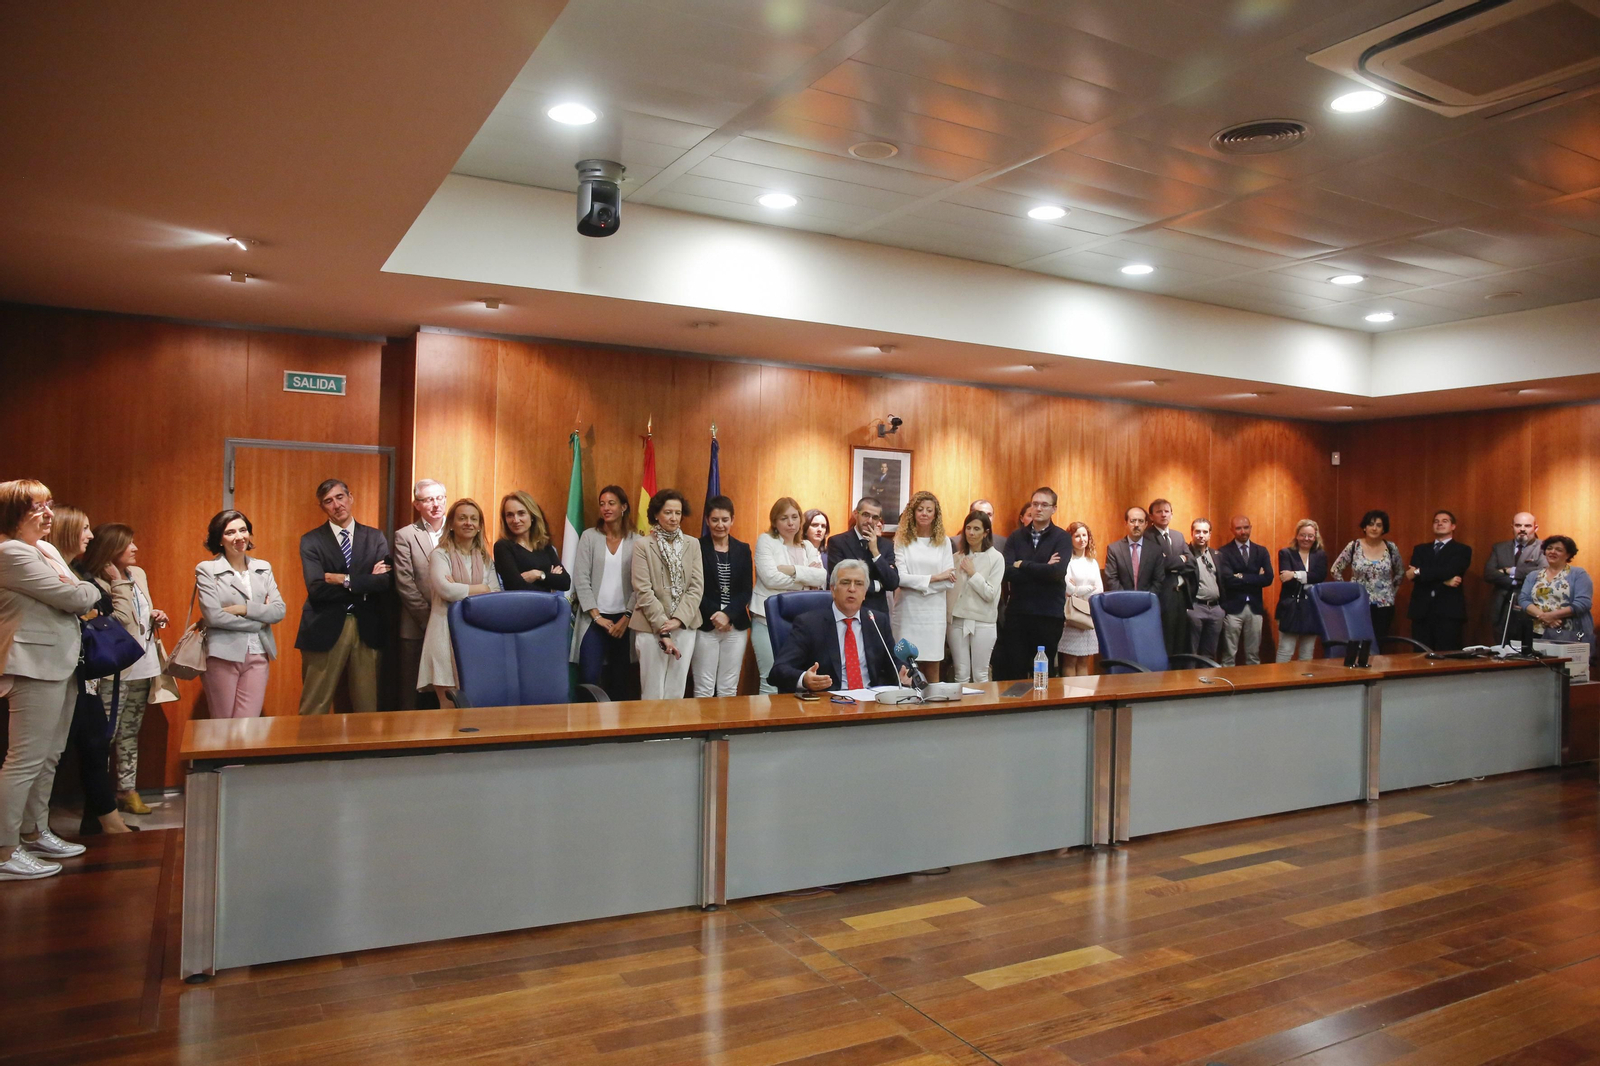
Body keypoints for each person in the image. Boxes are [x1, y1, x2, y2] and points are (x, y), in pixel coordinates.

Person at [0, 481, 102, 881]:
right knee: (24, 761)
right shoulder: (10, 552)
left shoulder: (44, 549)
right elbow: (77, 598)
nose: (48, 514)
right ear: (12, 513)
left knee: (50, 755)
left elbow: (73, 591)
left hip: (60, 661)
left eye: (49, 505)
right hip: (32, 664)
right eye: (37, 507)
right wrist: (84, 588)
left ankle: (34, 830)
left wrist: (77, 588)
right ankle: (6, 849)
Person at [46, 508, 134, 836]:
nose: (91, 535)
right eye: (84, 528)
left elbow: (101, 608)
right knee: (57, 751)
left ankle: (104, 817)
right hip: (60, 670)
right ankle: (33, 829)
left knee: (95, 740)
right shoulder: (50, 569)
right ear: (67, 532)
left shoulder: (78, 570)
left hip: (86, 671)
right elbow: (91, 609)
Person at [82, 524, 169, 814]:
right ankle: (101, 800)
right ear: (110, 550)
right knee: (106, 733)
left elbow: (138, 615)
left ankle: (127, 791)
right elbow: (121, 622)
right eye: (127, 544)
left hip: (143, 663)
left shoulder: (139, 574)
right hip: (112, 668)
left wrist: (154, 614)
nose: (134, 548)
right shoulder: (94, 581)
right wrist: (116, 580)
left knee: (131, 731)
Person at [295, 479, 391, 715]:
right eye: (328, 501)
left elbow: (384, 583)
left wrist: (344, 579)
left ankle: (365, 752)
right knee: (314, 703)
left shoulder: (375, 537)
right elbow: (317, 588)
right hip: (324, 626)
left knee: (367, 703)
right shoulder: (311, 540)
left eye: (340, 497)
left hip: (367, 626)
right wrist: (364, 582)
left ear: (351, 497)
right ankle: (307, 752)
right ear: (322, 507)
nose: (336, 505)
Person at [195, 510, 286, 719]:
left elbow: (279, 610)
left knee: (248, 727)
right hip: (222, 655)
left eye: (243, 530)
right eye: (230, 532)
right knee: (222, 724)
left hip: (259, 653)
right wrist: (259, 621)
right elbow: (214, 617)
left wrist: (243, 609)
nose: (239, 537)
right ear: (219, 539)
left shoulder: (263, 567)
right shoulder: (207, 569)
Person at [768, 560, 908, 693]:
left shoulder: (877, 621)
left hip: (871, 701)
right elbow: (778, 671)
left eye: (858, 584)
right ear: (833, 590)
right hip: (828, 703)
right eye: (846, 583)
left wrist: (904, 672)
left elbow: (894, 663)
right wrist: (804, 679)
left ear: (865, 592)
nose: (852, 589)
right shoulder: (809, 624)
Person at [417, 498, 500, 706]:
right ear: (451, 524)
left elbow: (495, 595)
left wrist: (461, 589)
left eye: (473, 519)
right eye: (462, 518)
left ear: (480, 525)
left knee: (474, 706)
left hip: (476, 633)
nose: (468, 523)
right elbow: (446, 590)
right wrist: (481, 589)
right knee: (449, 706)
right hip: (444, 633)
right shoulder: (439, 554)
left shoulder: (485, 558)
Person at [630, 489, 703, 700]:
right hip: (650, 626)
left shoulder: (693, 544)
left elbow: (696, 587)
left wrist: (678, 620)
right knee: (653, 692)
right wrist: (663, 625)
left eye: (678, 513)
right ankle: (653, 734)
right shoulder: (642, 545)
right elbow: (642, 590)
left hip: (685, 625)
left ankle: (674, 735)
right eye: (668, 512)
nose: (674, 518)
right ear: (656, 515)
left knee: (676, 691)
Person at [751, 496, 826, 695]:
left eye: (795, 517)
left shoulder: (808, 546)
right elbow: (770, 579)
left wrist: (791, 569)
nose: (791, 523)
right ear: (775, 521)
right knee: (770, 680)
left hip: (803, 623)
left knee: (800, 679)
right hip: (766, 619)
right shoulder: (766, 541)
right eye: (784, 518)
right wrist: (803, 580)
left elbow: (820, 578)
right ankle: (765, 726)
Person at [571, 486, 638, 701]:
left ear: (623, 507)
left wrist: (627, 617)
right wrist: (597, 616)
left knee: (620, 680)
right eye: (602, 504)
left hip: (624, 620)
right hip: (593, 619)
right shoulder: (589, 537)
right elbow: (581, 578)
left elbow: (641, 584)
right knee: (588, 677)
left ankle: (616, 732)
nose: (606, 508)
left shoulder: (637, 541)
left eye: (611, 503)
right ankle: (584, 729)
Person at [1000, 488, 1071, 679]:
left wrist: (1023, 564)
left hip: (1048, 615)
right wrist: (1042, 568)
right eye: (1035, 504)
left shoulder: (1062, 538)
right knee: (1015, 671)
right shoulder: (1016, 537)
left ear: (1054, 509)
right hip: (1018, 613)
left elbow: (1056, 573)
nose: (1038, 509)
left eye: (1044, 505)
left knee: (1042, 675)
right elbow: (1007, 571)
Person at [392, 479, 447, 709]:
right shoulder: (405, 535)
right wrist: (428, 620)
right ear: (417, 505)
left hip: (451, 622)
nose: (436, 504)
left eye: (440, 498)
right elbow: (405, 582)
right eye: (428, 500)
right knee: (411, 692)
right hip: (417, 625)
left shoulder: (458, 531)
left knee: (448, 688)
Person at [692, 496, 751, 697]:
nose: (720, 525)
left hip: (736, 626)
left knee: (728, 687)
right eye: (715, 520)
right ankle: (704, 729)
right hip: (705, 625)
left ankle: (725, 729)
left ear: (732, 520)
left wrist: (728, 615)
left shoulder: (743, 549)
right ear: (707, 520)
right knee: (704, 687)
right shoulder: (696, 547)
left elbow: (746, 590)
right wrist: (716, 615)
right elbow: (693, 589)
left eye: (725, 519)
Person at [894, 490, 956, 681]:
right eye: (920, 509)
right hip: (908, 610)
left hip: (934, 613)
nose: (924, 513)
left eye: (929, 510)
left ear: (935, 514)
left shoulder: (944, 541)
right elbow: (901, 578)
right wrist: (935, 578)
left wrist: (919, 583)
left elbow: (950, 581)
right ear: (912, 512)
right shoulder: (901, 540)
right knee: (907, 667)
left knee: (932, 665)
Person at [1328, 510, 1404, 639]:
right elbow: (1335, 569)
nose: (1374, 528)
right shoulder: (1354, 546)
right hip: (1358, 602)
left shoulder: (1391, 548)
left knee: (1378, 641)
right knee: (1358, 640)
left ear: (1383, 529)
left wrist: (1391, 592)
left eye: (1379, 525)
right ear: (1364, 527)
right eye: (1370, 524)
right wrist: (1348, 591)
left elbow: (1400, 573)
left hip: (1384, 605)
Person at [948, 510, 1004, 683]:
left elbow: (990, 594)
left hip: (983, 621)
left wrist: (973, 574)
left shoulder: (996, 558)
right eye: (968, 528)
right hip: (957, 620)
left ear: (986, 532)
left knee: (981, 674)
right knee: (961, 674)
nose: (971, 533)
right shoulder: (956, 557)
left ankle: (983, 709)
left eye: (977, 529)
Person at [1406, 510, 1472, 651]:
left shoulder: (1462, 550)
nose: (1439, 523)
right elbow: (1412, 576)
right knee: (1419, 657)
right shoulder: (1420, 549)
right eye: (1436, 521)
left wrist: (1420, 571)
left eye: (1444, 521)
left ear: (1453, 526)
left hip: (1448, 612)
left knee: (1448, 656)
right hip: (1421, 611)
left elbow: (1450, 571)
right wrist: (1443, 581)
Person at [825, 497, 899, 620]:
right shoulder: (837, 542)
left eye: (875, 517)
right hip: (846, 611)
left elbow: (892, 583)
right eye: (865, 515)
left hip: (876, 613)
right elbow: (840, 579)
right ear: (856, 514)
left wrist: (875, 552)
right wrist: (877, 585)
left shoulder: (886, 546)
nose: (869, 520)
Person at [1519, 535, 1593, 652]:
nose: (1552, 552)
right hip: (1537, 633)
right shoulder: (1533, 575)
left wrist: (1553, 616)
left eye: (1559, 550)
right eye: (1550, 548)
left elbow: (1583, 603)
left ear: (1568, 554)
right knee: (1537, 669)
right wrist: (1543, 616)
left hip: (1569, 634)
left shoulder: (1578, 574)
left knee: (1568, 669)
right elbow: (1524, 600)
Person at [1218, 515, 1272, 665]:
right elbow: (1228, 580)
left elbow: (1268, 578)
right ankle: (1226, 686)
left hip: (1255, 608)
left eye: (1246, 527)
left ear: (1251, 527)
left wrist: (1241, 576)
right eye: (1238, 528)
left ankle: (1252, 687)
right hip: (1233, 608)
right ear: (1232, 530)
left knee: (1253, 655)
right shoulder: (1224, 552)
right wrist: (1255, 577)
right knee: (1229, 655)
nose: (1243, 531)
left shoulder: (1261, 551)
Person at [1484, 512, 1543, 646]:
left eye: (1527, 526)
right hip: (1501, 605)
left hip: (1529, 605)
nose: (1522, 529)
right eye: (1518, 525)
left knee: (1526, 646)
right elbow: (1488, 574)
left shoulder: (1543, 547)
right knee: (1502, 645)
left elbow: (1542, 572)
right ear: (1512, 527)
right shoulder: (1499, 547)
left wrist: (1509, 571)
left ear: (1535, 528)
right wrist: (1515, 581)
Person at [494, 492, 571, 594]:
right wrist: (550, 588)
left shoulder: (544, 545)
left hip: (548, 608)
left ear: (532, 516)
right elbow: (514, 586)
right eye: (510, 515)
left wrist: (537, 574)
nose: (515, 520)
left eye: (521, 513)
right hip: (520, 607)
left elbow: (565, 582)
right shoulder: (502, 546)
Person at [1144, 499, 1194, 655]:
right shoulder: (1147, 536)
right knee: (1166, 640)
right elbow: (1159, 563)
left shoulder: (1178, 535)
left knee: (1181, 640)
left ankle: (1178, 676)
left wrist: (1174, 560)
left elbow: (1191, 562)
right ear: (1151, 516)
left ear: (1172, 514)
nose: (1163, 514)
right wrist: (1180, 559)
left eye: (1166, 511)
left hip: (1181, 595)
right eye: (1159, 511)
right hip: (1163, 594)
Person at [1274, 519, 1328, 662]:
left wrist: (1295, 574)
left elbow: (1320, 576)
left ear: (1315, 537)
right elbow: (1287, 580)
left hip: (1312, 608)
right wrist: (1305, 578)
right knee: (1286, 649)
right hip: (1290, 607)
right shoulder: (1286, 553)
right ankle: (1281, 681)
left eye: (1310, 536)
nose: (1306, 539)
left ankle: (1304, 682)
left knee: (1307, 651)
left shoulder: (1320, 555)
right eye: (1303, 535)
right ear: (1297, 536)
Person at [1057, 521, 1103, 677]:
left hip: (1089, 615)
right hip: (1072, 615)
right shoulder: (1067, 561)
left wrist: (1080, 590)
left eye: (1084, 535)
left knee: (1084, 661)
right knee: (1070, 661)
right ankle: (1070, 699)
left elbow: (1099, 589)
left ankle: (1085, 696)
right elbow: (1067, 589)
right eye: (1077, 536)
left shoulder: (1093, 562)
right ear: (1070, 538)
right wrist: (1085, 589)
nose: (1082, 539)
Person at [1186, 519, 1226, 660]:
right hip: (1195, 608)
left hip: (1215, 609)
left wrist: (1222, 608)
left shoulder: (1216, 555)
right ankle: (1190, 681)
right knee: (1192, 652)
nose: (1201, 535)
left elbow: (1223, 581)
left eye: (1205, 532)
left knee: (1210, 653)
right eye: (1197, 531)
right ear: (1192, 533)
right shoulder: (1185, 554)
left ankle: (1207, 681)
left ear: (1210, 535)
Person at [1105, 506, 1163, 593]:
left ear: (1146, 524)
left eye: (1141, 521)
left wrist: (1145, 599)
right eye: (1132, 521)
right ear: (1126, 523)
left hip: (1147, 603)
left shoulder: (1155, 550)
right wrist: (1127, 599)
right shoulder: (1114, 549)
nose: (1136, 525)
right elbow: (1111, 579)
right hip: (1121, 602)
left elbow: (1158, 580)